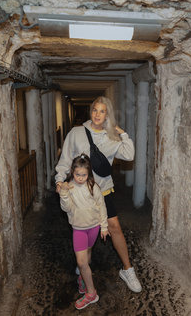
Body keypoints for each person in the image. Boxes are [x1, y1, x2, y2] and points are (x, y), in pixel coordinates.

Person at [55, 96, 142, 293]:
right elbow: (65, 159)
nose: (97, 114)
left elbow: (129, 155)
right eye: (95, 110)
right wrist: (60, 180)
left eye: (102, 111)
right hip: (79, 192)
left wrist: (123, 133)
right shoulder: (77, 133)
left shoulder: (111, 138)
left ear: (107, 115)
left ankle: (127, 269)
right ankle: (84, 263)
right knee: (88, 227)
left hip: (102, 190)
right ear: (91, 111)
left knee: (115, 228)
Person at [58, 154, 109, 310]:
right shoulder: (69, 187)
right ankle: (91, 293)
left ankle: (82, 277)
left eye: (84, 175)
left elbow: (101, 205)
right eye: (77, 174)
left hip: (94, 227)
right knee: (81, 262)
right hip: (79, 229)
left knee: (87, 255)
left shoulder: (93, 186)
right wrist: (64, 193)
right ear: (72, 172)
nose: (80, 178)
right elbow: (65, 208)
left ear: (89, 173)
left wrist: (104, 226)